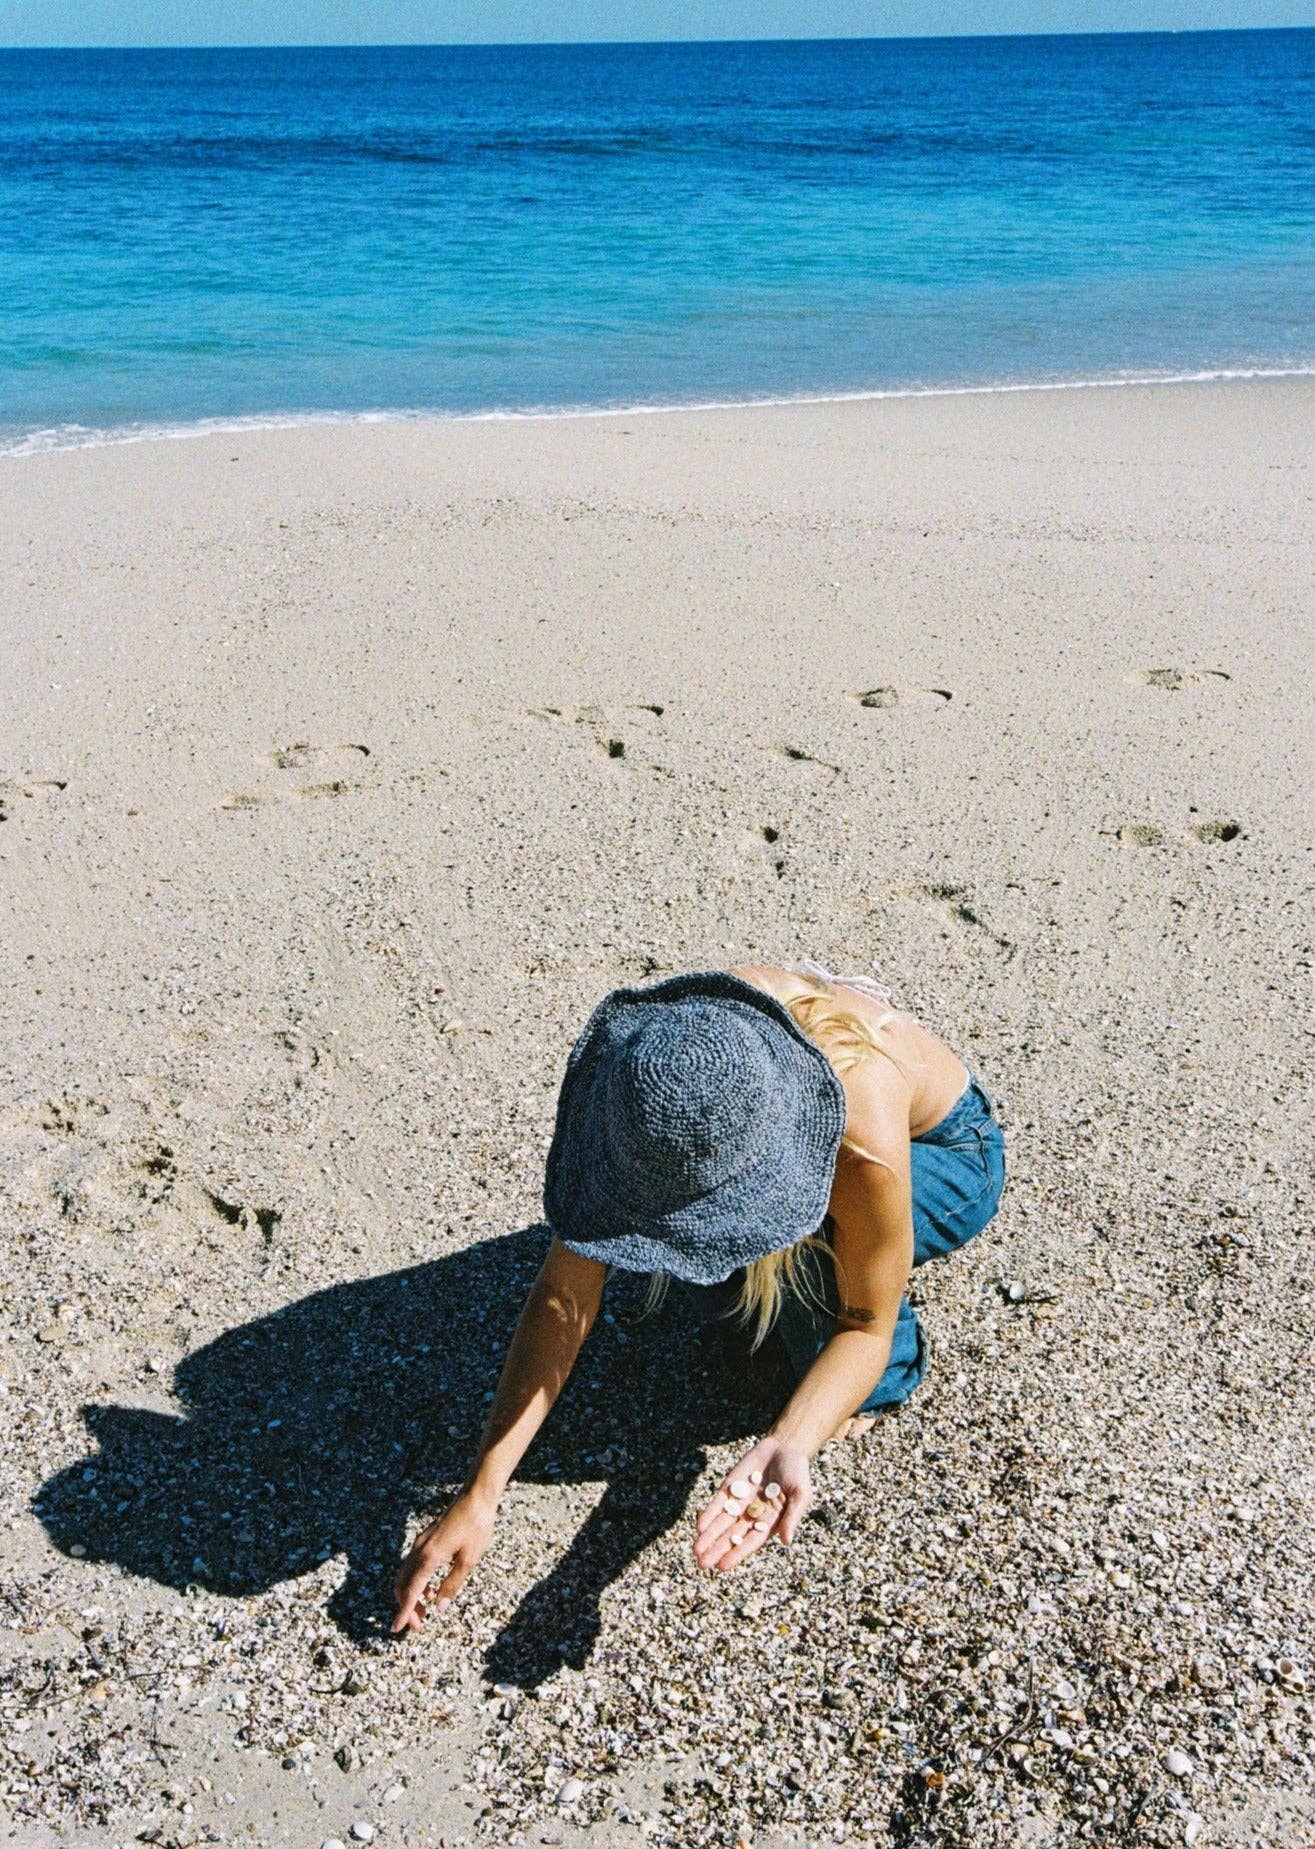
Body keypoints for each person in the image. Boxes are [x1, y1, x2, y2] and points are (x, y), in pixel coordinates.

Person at [392, 961, 1005, 1632]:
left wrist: (791, 1438)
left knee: (801, 1272)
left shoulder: (860, 1142)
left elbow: (864, 1324)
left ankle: (883, 1386)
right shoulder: (663, 1063)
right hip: (796, 1125)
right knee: (712, 1281)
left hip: (947, 1154)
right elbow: (562, 1296)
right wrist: (481, 1491)